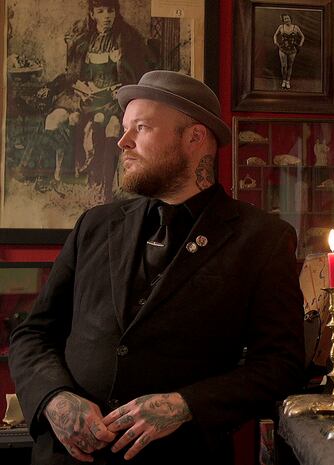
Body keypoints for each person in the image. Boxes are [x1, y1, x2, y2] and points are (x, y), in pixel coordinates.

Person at [9, 70, 305, 464]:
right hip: (66, 456)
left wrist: (185, 404)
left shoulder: (262, 238)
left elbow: (281, 365)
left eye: (141, 128)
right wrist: (54, 398)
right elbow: (32, 334)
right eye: (125, 129)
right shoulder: (94, 226)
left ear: (194, 138)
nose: (123, 142)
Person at [20, 0, 151, 201]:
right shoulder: (82, 41)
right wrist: (73, 86)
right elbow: (71, 75)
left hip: (111, 100)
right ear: (92, 14)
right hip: (82, 97)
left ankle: (103, 188)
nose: (106, 16)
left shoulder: (128, 40)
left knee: (110, 125)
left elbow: (137, 75)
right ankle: (46, 177)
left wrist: (121, 88)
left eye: (110, 11)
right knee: (53, 119)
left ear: (116, 13)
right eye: (101, 11)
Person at [273, 13, 304, 89]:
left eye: (288, 18)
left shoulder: (295, 27)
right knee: (284, 66)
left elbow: (302, 36)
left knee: (290, 66)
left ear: (290, 19)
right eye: (285, 19)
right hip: (282, 49)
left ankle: (288, 81)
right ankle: (284, 80)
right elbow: (275, 35)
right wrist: (275, 41)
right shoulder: (281, 27)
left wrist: (300, 44)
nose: (287, 20)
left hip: (292, 50)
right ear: (283, 20)